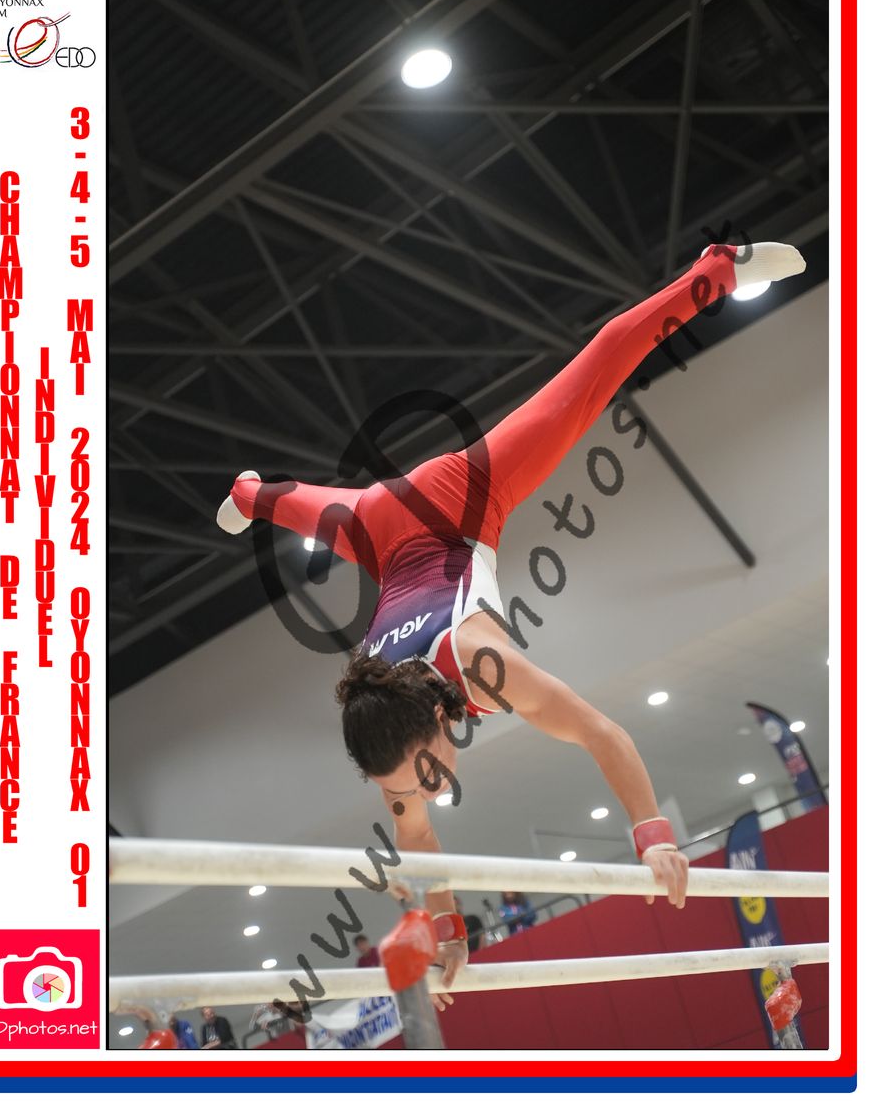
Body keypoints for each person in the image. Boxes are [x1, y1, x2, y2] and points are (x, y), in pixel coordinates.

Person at [218, 242, 805, 1010]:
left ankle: (715, 269)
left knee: (594, 375)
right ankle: (251, 494)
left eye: (422, 776)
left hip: (456, 501)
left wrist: (653, 834)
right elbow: (416, 839)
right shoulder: (383, 738)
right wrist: (449, 931)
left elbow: (601, 733)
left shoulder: (481, 665)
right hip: (377, 531)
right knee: (301, 508)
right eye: (408, 787)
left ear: (439, 717)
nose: (425, 790)